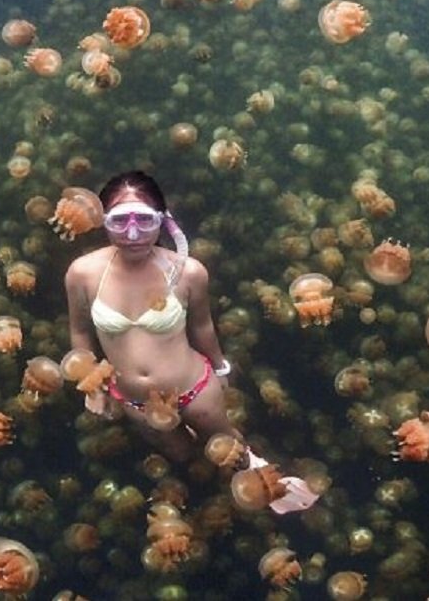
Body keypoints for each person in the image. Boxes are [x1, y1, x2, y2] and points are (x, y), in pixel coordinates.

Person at [64, 171, 317, 513]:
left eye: (145, 219)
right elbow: (80, 331)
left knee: (232, 448)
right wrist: (90, 383)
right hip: (134, 403)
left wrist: (221, 368)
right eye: (121, 221)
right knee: (184, 456)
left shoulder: (188, 271)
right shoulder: (82, 273)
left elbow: (202, 327)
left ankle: (265, 483)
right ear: (102, 220)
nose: (134, 233)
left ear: (164, 220)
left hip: (196, 389)